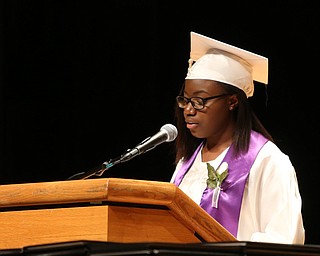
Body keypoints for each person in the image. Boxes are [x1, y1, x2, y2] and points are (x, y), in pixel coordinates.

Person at [170, 31, 305, 244]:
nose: (188, 110)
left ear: (232, 102)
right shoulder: (186, 163)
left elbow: (283, 239)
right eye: (185, 100)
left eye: (199, 101)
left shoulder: (267, 160)